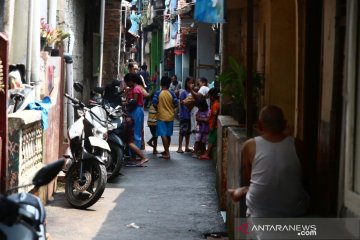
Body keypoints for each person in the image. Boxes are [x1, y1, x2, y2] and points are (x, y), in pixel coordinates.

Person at [228, 105, 309, 217]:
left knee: (249, 189)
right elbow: (304, 176)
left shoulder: (250, 145)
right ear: (284, 124)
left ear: (260, 125)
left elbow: (249, 177)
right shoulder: (297, 145)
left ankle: (241, 191)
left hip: (258, 211)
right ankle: (242, 191)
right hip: (294, 209)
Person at [152, 76, 178, 159]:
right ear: (169, 84)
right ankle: (166, 150)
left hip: (161, 116)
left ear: (161, 83)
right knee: (168, 135)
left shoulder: (158, 93)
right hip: (170, 116)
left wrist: (158, 109)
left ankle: (167, 153)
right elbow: (176, 104)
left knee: (163, 135)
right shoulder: (172, 93)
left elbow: (154, 103)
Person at [124, 73, 145, 157]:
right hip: (136, 110)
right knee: (134, 132)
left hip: (136, 110)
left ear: (131, 81)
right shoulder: (136, 88)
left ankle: (135, 154)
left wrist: (126, 106)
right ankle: (133, 153)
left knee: (135, 132)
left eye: (127, 82)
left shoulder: (136, 89)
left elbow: (134, 102)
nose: (126, 84)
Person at [199, 88, 219, 160]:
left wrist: (212, 126)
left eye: (210, 96)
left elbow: (215, 116)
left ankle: (207, 154)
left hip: (214, 126)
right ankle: (207, 153)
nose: (209, 98)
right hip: (212, 125)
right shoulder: (215, 104)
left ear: (212, 96)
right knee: (210, 139)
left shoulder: (215, 105)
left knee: (210, 140)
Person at [177, 77, 193, 153]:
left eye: (192, 83)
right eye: (190, 83)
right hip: (184, 115)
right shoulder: (184, 92)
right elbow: (181, 102)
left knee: (188, 132)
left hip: (191, 116)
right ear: (186, 83)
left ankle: (187, 147)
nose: (191, 84)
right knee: (182, 132)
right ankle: (179, 147)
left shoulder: (193, 93)